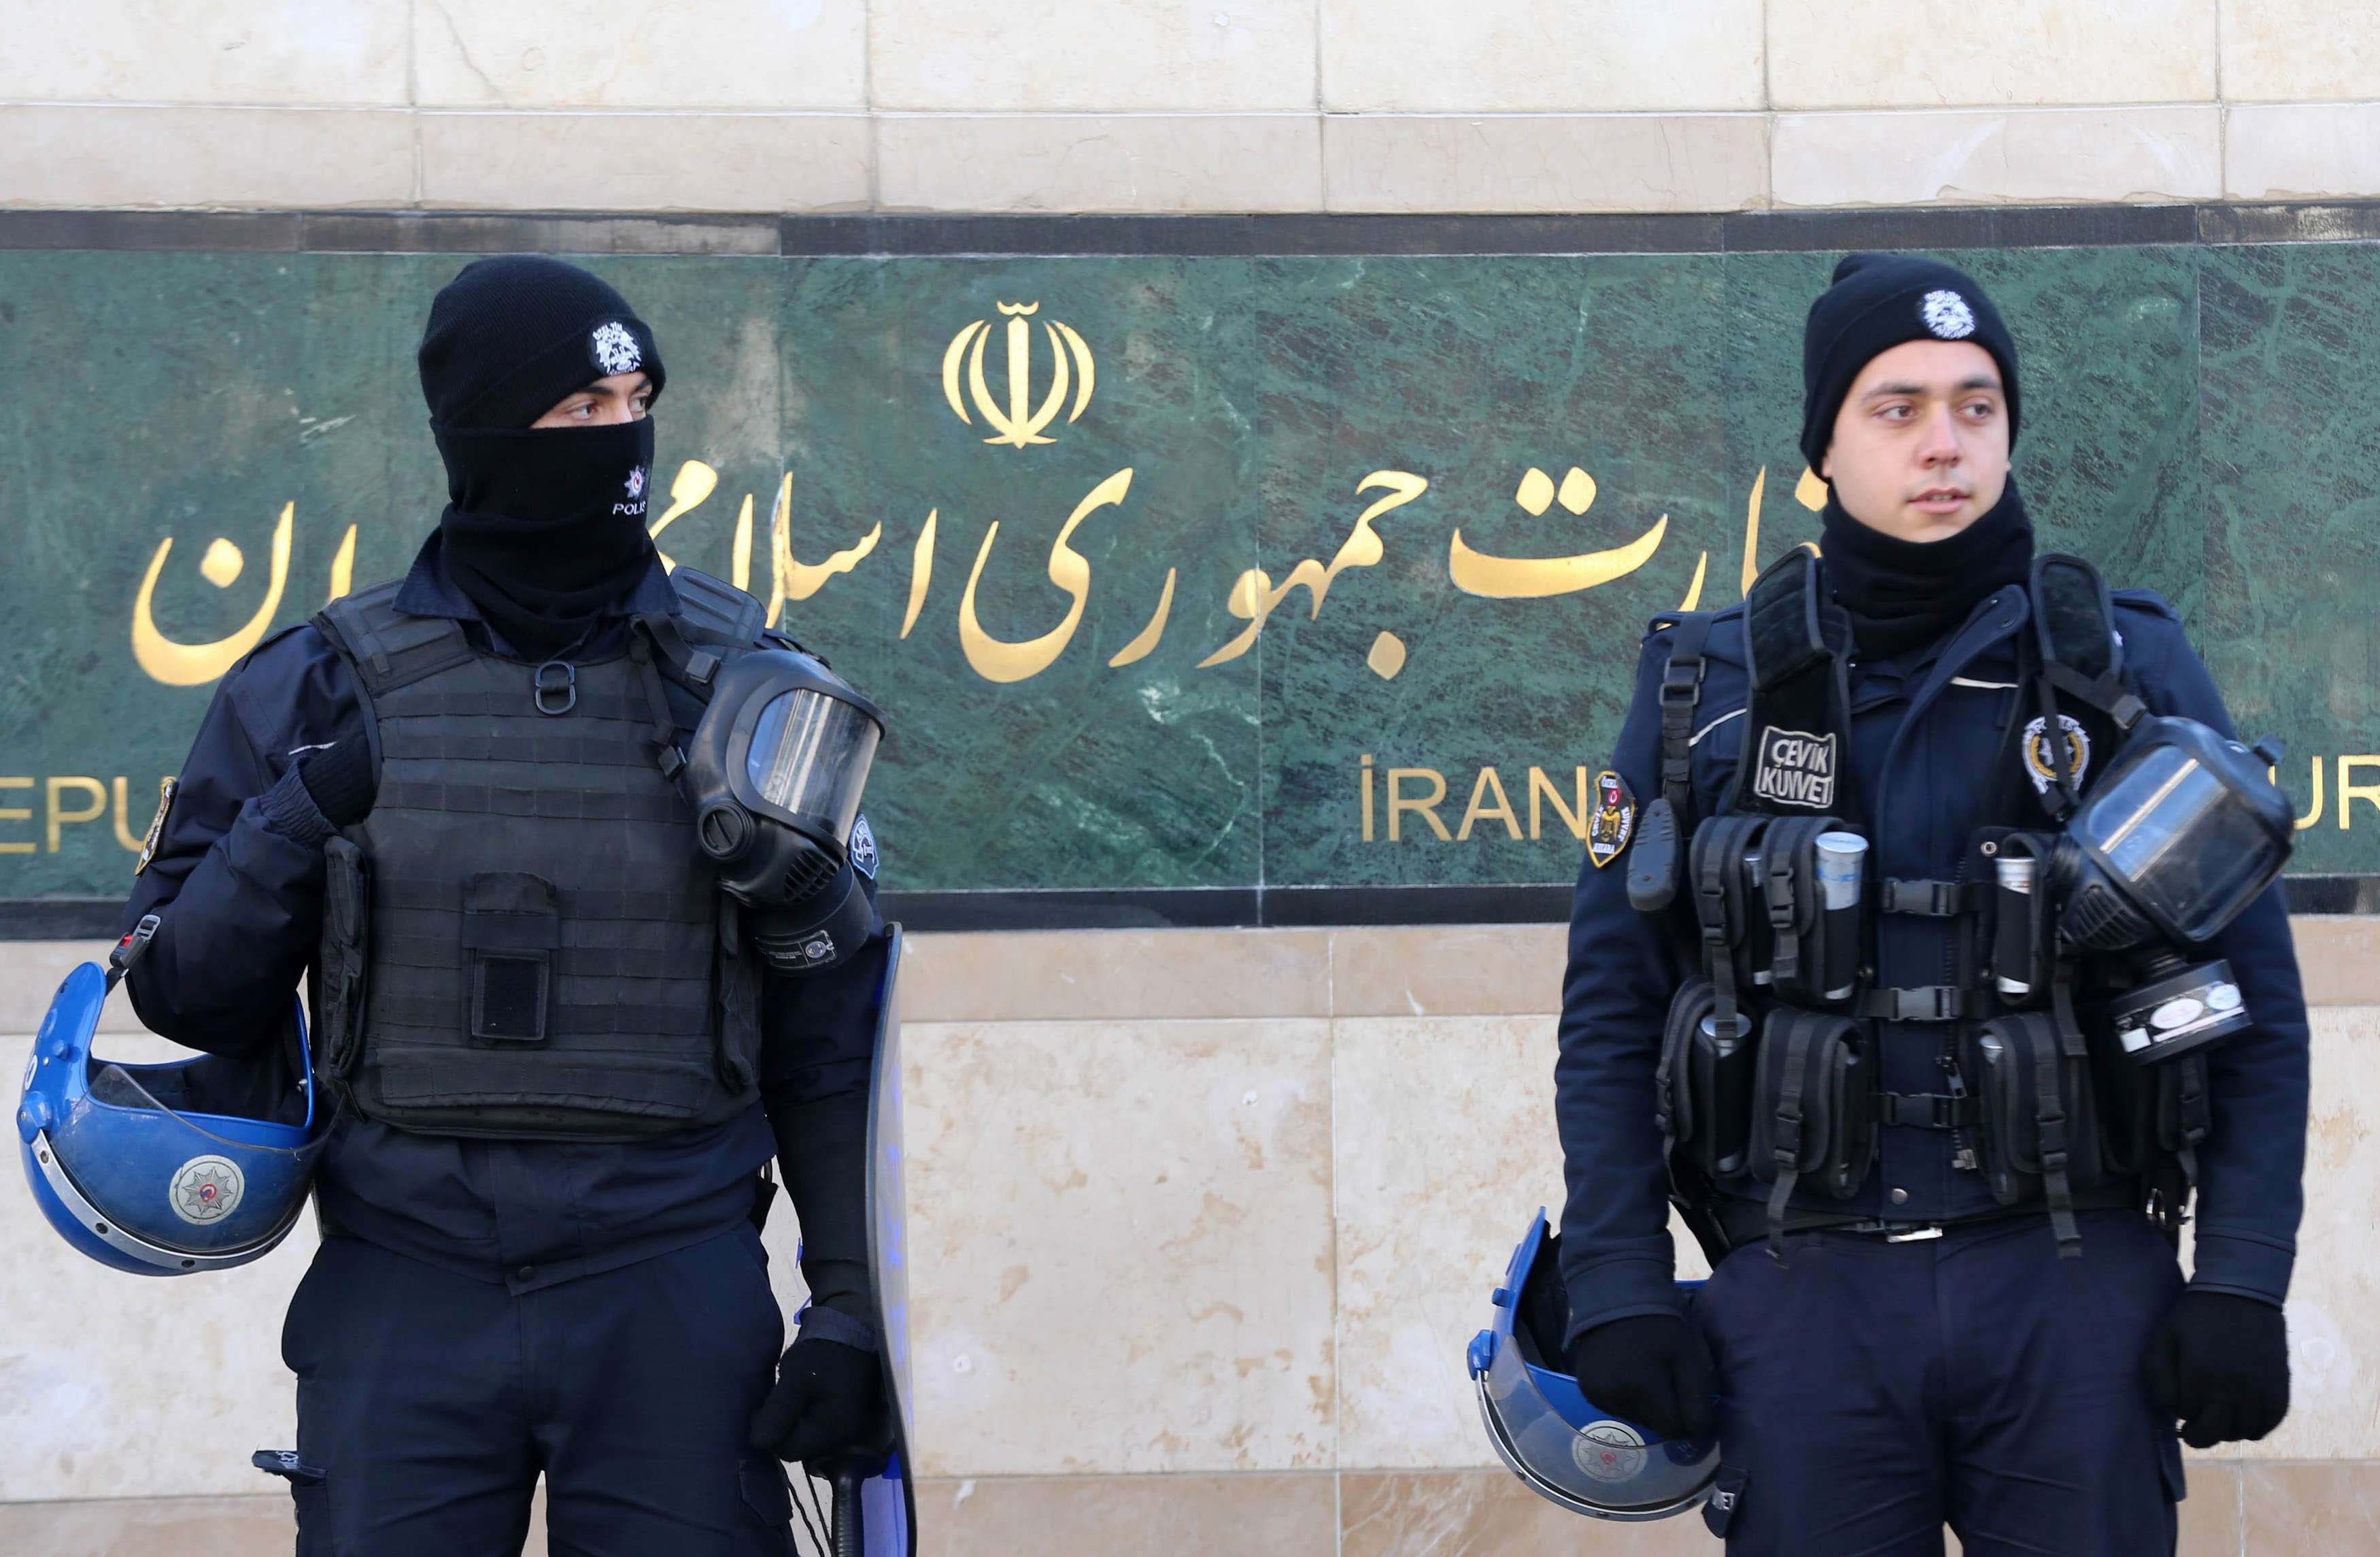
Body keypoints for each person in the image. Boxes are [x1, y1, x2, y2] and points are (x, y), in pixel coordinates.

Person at [121, 255, 892, 1554]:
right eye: (578, 412)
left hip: (671, 1287)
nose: (621, 441)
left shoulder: (746, 688)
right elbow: (181, 985)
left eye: (636, 401)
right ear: (482, 432)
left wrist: (849, 1305)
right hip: (404, 1287)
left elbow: (831, 1032)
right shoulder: (316, 686)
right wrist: (303, 812)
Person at [1552, 253, 2309, 1554]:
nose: (1943, 443)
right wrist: (1614, 1280)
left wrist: (2240, 1279)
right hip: (1801, 1300)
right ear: (1826, 448)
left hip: (2074, 1290)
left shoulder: (2122, 667)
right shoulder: (1705, 687)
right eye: (1896, 408)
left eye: (1976, 405)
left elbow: (2254, 1007)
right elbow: (1615, 1011)